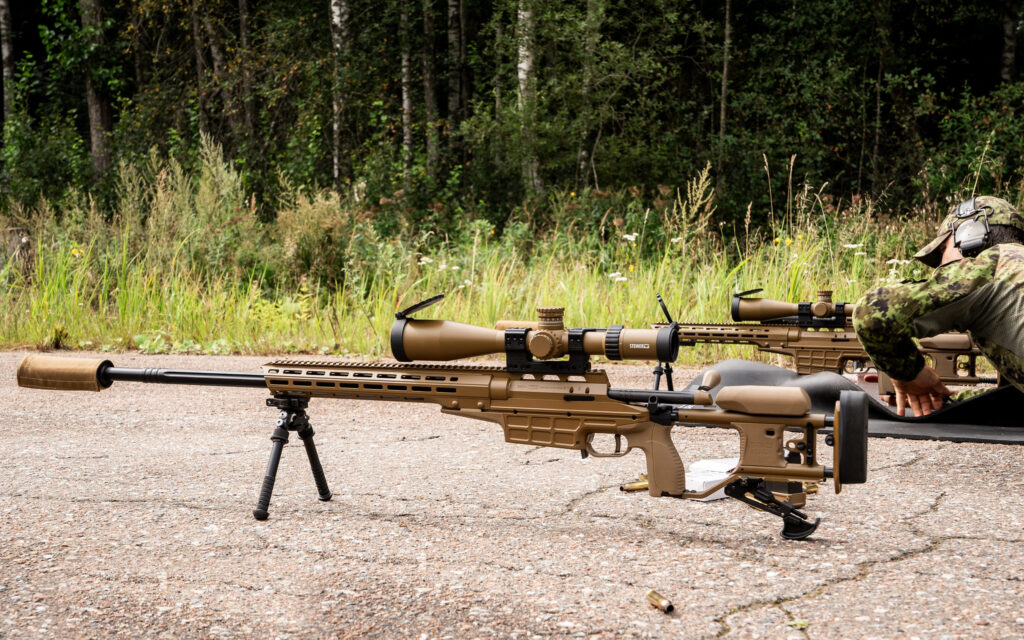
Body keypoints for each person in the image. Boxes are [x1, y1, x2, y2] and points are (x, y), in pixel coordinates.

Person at [853, 195, 1024, 417]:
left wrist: (909, 373)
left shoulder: (991, 264)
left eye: (942, 252)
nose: (939, 268)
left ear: (969, 237)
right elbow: (1015, 402)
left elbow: (872, 314)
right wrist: (941, 398)